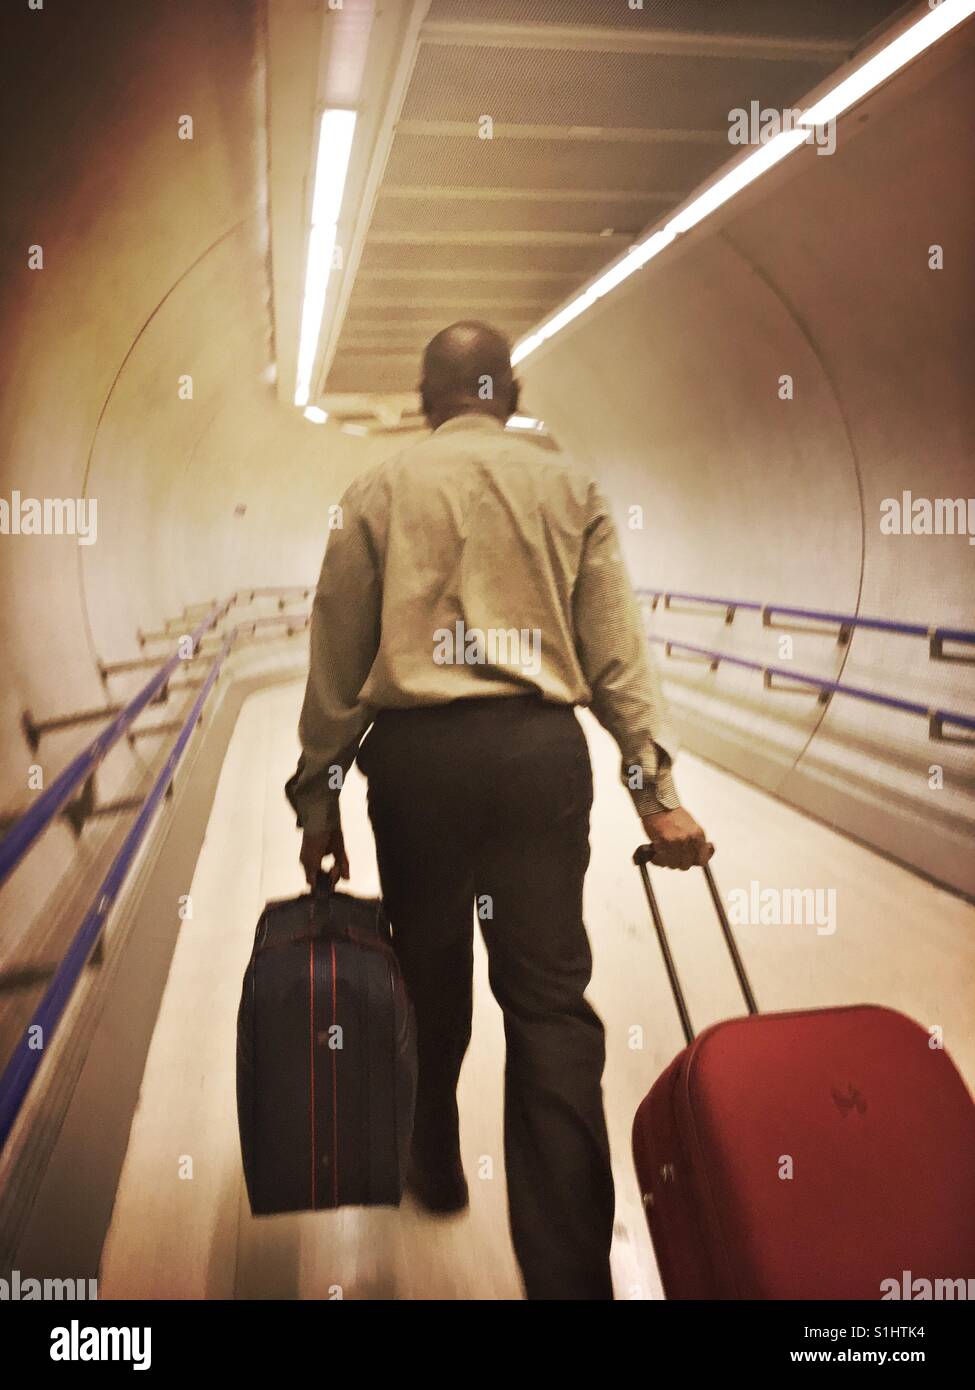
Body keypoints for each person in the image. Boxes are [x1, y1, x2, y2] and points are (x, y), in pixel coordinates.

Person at [285, 320, 713, 1300]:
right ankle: (568, 1278)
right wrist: (657, 799)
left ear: (427, 399)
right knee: (552, 1007)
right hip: (536, 761)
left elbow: (337, 667)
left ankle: (431, 1161)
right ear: (510, 393)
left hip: (419, 766)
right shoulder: (569, 488)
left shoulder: (375, 492)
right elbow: (617, 664)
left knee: (428, 980)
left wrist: (319, 805)